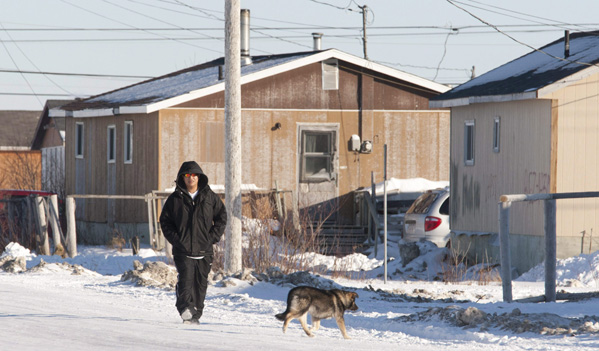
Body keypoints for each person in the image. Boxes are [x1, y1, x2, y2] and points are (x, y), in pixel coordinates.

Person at [160, 161, 227, 324]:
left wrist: (211, 238)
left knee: (200, 284)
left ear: (199, 177)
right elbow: (165, 222)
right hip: (183, 250)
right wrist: (177, 240)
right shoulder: (175, 199)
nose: (191, 178)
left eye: (194, 175)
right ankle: (185, 308)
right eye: (187, 175)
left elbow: (221, 218)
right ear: (182, 178)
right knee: (186, 280)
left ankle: (195, 315)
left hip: (204, 250)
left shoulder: (210, 197)